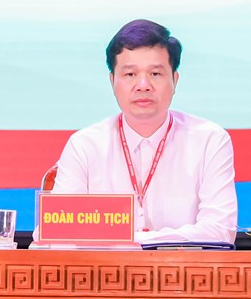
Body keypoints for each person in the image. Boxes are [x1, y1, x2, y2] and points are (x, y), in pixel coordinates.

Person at [50, 19, 238, 245]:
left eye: (155, 74)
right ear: (112, 81)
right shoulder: (84, 145)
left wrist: (130, 240)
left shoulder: (210, 141)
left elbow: (220, 231)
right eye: (130, 74)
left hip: (182, 267)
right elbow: (56, 232)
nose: (143, 85)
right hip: (104, 268)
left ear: (174, 80)